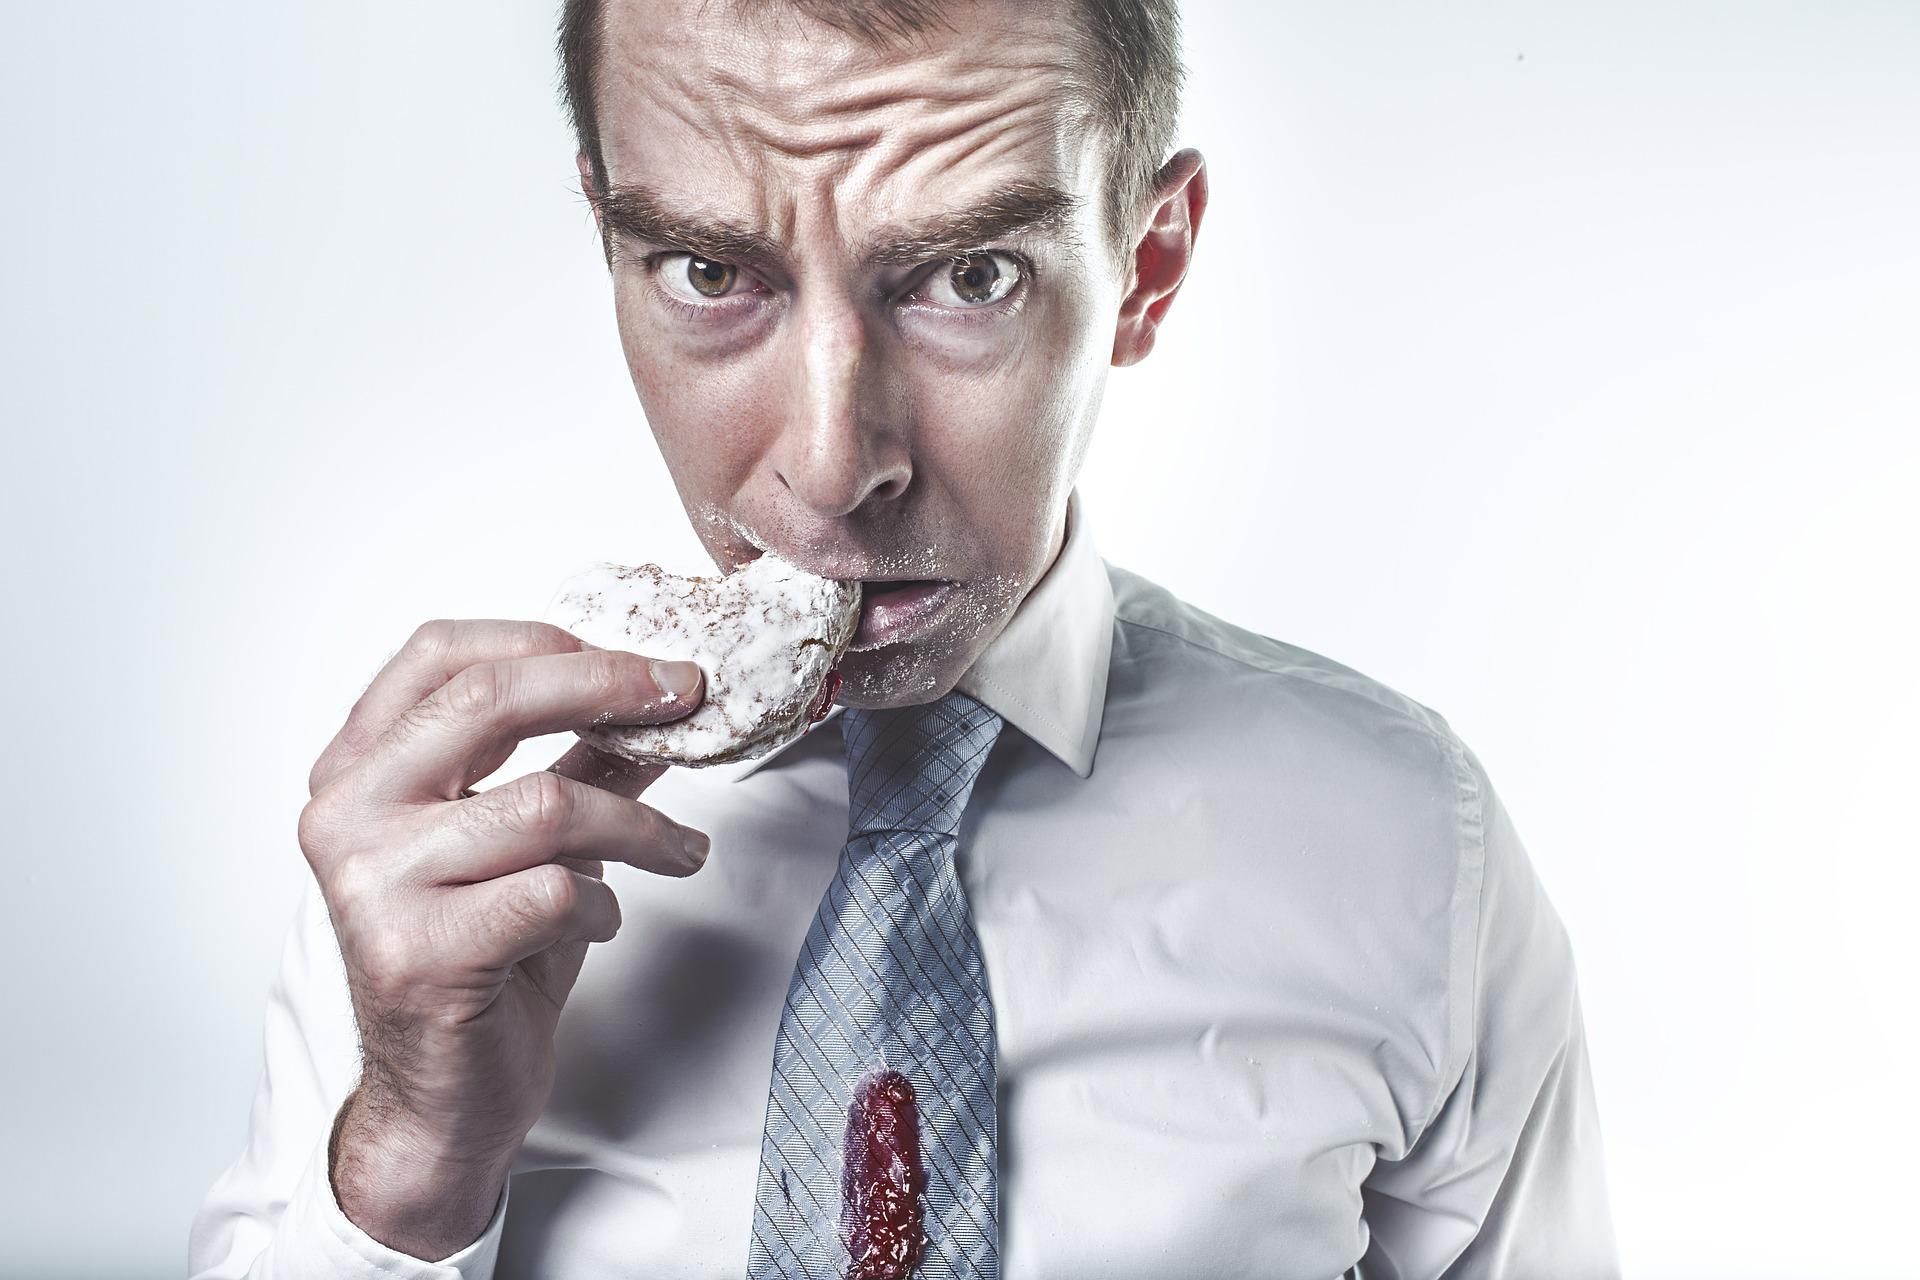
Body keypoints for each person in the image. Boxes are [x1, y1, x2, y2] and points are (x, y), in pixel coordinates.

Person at [189, 0, 1620, 1275]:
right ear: (610, 239)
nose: (830, 465)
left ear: (1150, 265)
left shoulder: (1413, 847)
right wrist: (403, 1181)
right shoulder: (448, 841)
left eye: (969, 277)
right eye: (704, 270)